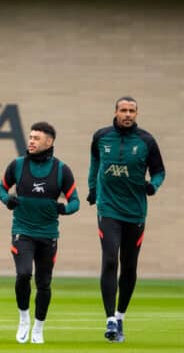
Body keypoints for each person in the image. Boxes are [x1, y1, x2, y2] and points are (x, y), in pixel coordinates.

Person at [87, 96, 165, 343]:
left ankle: (120, 316)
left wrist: (153, 185)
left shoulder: (146, 141)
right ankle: (110, 319)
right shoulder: (101, 137)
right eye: (123, 110)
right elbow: (95, 163)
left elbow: (160, 171)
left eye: (132, 110)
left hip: (135, 212)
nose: (127, 114)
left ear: (137, 113)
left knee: (129, 266)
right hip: (108, 209)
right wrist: (92, 188)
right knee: (110, 260)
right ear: (116, 111)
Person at [0, 122, 80, 344]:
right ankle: (24, 318)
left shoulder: (62, 170)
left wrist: (64, 208)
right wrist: (8, 200)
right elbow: (0, 188)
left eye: (36, 138)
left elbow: (75, 202)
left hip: (48, 234)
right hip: (22, 230)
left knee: (44, 283)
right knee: (23, 274)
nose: (31, 141)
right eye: (30, 137)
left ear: (49, 142)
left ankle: (39, 327)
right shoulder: (17, 165)